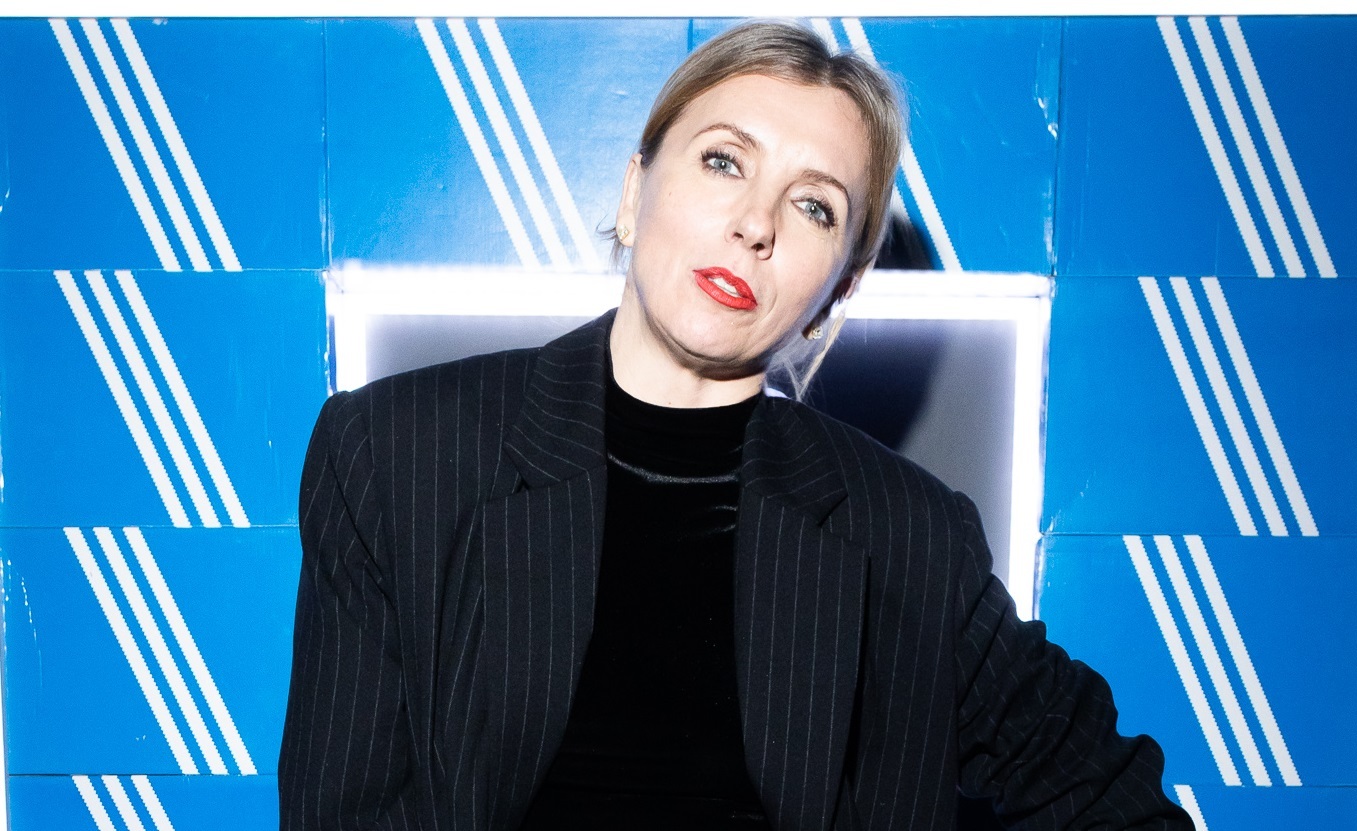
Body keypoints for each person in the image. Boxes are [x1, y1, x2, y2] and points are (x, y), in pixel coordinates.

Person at [279, 20, 1191, 831]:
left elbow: (1106, 794)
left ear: (836, 288)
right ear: (633, 193)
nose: (756, 224)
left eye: (813, 205)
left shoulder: (908, 536)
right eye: (724, 161)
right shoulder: (393, 454)